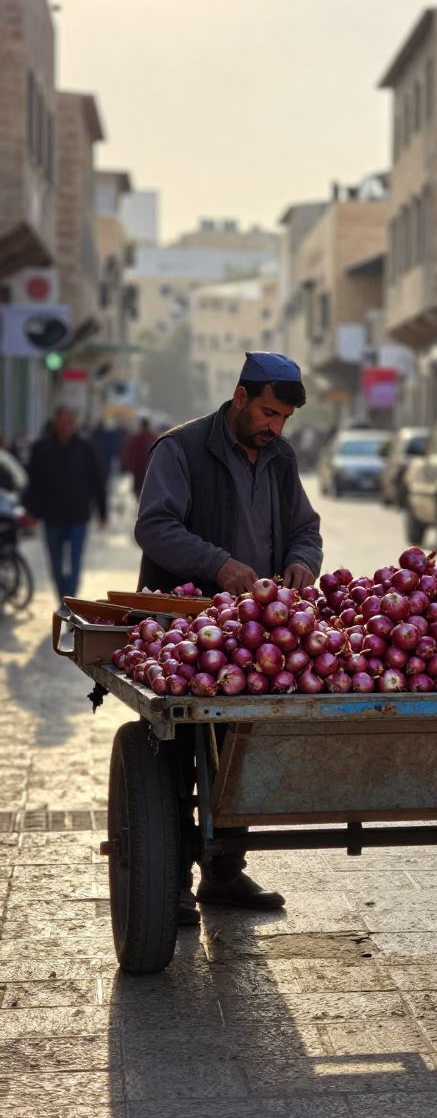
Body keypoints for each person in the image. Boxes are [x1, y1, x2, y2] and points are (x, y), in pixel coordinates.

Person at [135, 351, 323, 924]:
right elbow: (155, 526)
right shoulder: (181, 449)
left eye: (284, 419)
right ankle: (168, 879)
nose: (275, 427)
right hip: (185, 625)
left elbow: (305, 528)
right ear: (240, 397)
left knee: (238, 747)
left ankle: (224, 873)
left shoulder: (280, 458)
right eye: (268, 413)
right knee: (178, 752)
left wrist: (299, 561)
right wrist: (218, 565)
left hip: (253, 633)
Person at [25, 407, 107, 603]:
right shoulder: (42, 448)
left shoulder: (85, 447)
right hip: (51, 516)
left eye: (69, 422)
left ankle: (69, 598)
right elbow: (33, 483)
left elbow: (97, 480)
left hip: (78, 515)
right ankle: (63, 597)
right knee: (56, 565)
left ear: (74, 424)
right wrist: (31, 511)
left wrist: (102, 511)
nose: (65, 426)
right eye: (61, 422)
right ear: (55, 424)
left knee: (75, 563)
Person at [120, 417, 158, 499]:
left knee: (138, 491)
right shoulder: (153, 438)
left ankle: (139, 504)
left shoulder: (135, 438)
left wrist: (128, 465)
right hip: (149, 470)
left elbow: (129, 452)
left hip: (138, 470)